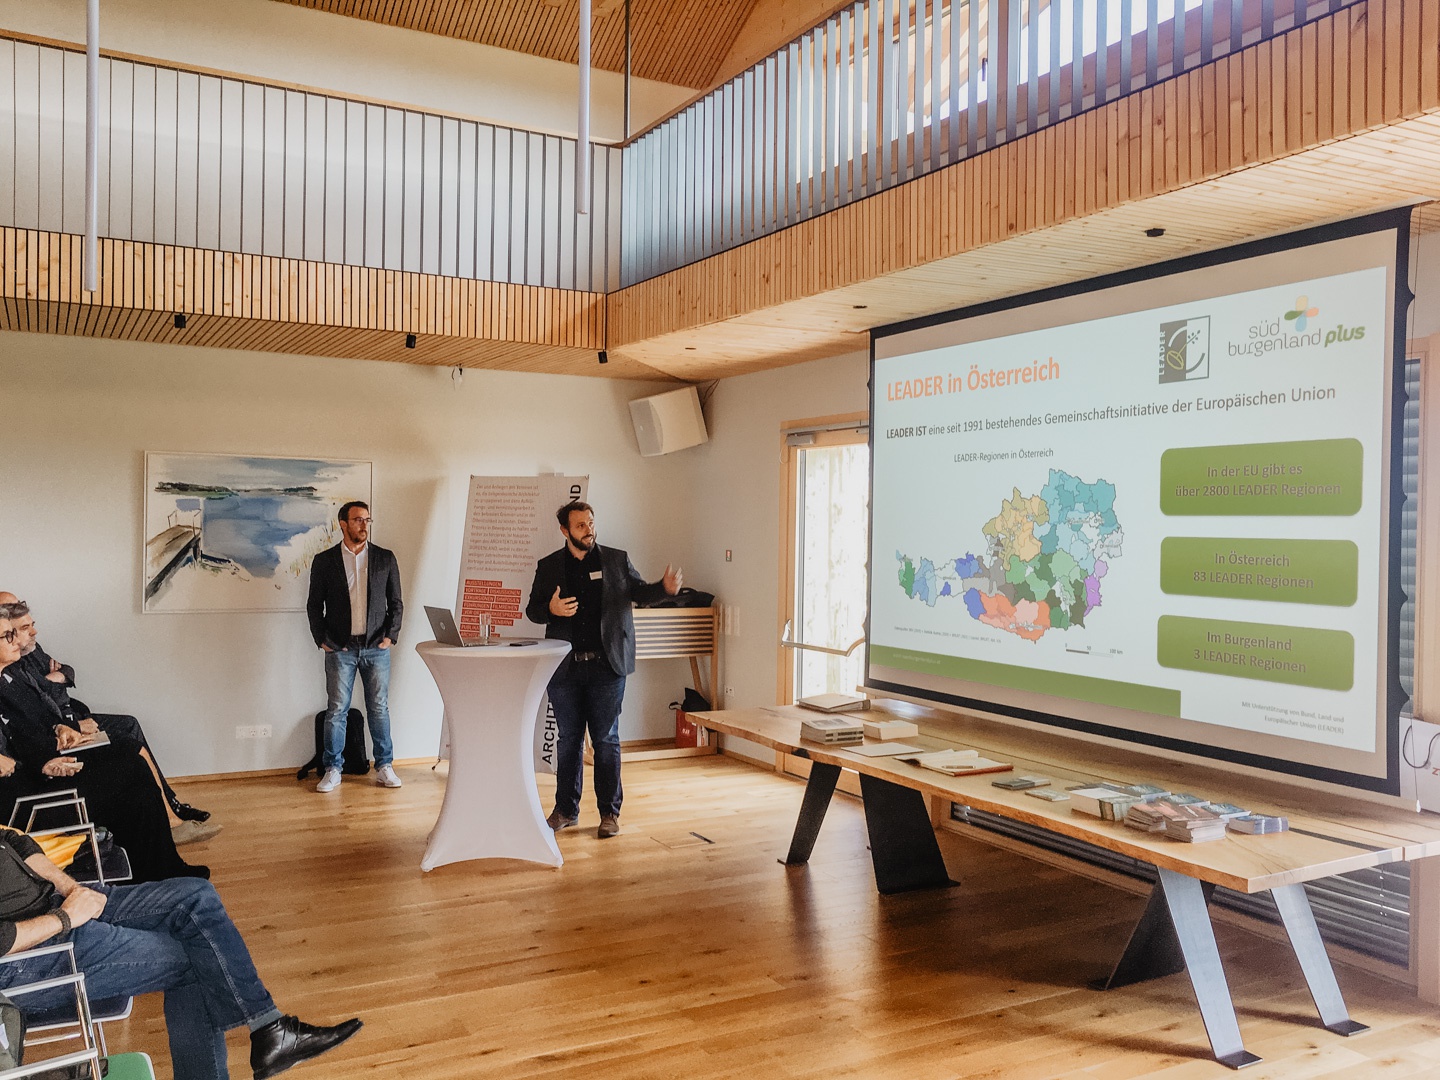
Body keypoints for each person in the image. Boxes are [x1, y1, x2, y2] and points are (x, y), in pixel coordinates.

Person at [0, 828, 361, 1080]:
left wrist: (71, 890)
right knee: (198, 958)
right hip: (27, 953)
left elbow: (14, 839)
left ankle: (270, 1029)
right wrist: (65, 918)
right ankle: (270, 1035)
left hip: (54, 902)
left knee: (196, 895)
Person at [0, 614, 208, 883]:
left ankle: (159, 869)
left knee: (131, 765)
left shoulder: (9, 680)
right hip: (22, 802)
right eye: (7, 635)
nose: (17, 640)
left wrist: (58, 731)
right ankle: (159, 871)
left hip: (39, 772)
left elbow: (24, 732)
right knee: (129, 770)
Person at [525, 501, 681, 839]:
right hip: (565, 668)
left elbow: (641, 593)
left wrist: (664, 589)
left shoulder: (615, 560)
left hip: (607, 666)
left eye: (591, 523)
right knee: (568, 740)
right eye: (580, 526)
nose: (588, 530)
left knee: (606, 740)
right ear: (565, 530)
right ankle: (566, 810)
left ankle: (609, 813)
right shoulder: (549, 566)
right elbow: (533, 610)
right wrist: (551, 609)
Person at [305, 501, 403, 793]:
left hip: (376, 647)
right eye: (358, 519)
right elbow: (314, 605)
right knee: (337, 710)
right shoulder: (325, 561)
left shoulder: (384, 558)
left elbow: (396, 603)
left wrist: (390, 636)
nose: (364, 525)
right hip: (340, 648)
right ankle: (333, 769)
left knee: (379, 708)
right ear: (343, 524)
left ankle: (384, 766)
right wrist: (322, 639)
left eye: (367, 519)